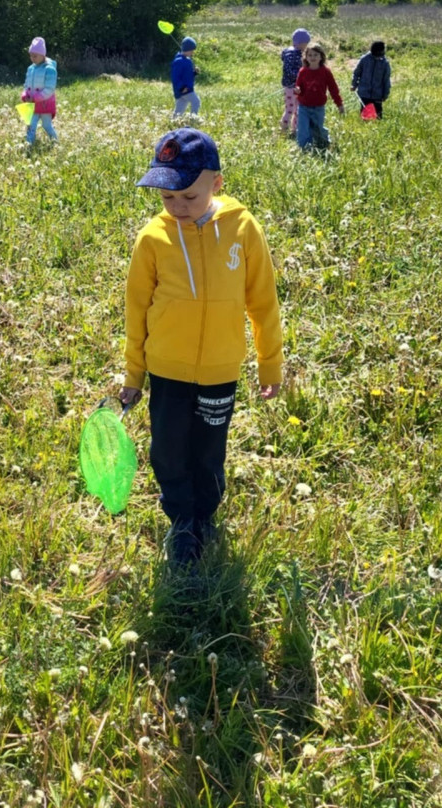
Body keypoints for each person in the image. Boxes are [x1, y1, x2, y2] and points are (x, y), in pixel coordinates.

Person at [119, 128, 283, 566]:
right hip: (166, 370)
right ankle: (181, 521)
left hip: (220, 369)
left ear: (217, 183)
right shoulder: (152, 238)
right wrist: (134, 373)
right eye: (167, 197)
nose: (177, 207)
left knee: (209, 451)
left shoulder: (243, 229)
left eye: (189, 196)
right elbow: (136, 311)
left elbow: (263, 301)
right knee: (168, 450)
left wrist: (269, 363)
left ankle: (204, 517)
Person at [294, 42, 344, 151]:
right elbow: (298, 86)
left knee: (318, 128)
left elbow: (333, 89)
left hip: (318, 107)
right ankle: (304, 148)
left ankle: (324, 141)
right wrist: (297, 90)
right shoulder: (303, 71)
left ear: (321, 56)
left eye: (316, 55)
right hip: (303, 106)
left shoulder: (325, 72)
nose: (313, 57)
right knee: (303, 128)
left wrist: (339, 104)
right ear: (306, 57)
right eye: (310, 55)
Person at [23, 37, 58, 143]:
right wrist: (25, 95)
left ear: (43, 55)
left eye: (35, 56)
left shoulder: (49, 69)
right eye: (31, 55)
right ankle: (29, 143)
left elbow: (50, 88)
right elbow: (26, 85)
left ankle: (55, 141)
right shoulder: (30, 69)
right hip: (32, 104)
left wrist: (36, 98)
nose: (32, 58)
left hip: (45, 104)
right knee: (30, 124)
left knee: (46, 125)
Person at [280, 28, 310, 134]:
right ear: (301, 43)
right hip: (291, 86)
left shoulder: (294, 52)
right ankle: (284, 128)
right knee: (290, 109)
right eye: (306, 44)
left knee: (297, 109)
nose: (306, 46)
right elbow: (288, 70)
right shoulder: (293, 53)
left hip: (296, 86)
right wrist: (300, 76)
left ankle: (295, 130)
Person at [351, 40, 391, 118]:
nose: (378, 57)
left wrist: (385, 94)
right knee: (365, 117)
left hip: (377, 95)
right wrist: (354, 84)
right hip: (364, 94)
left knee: (378, 117)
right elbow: (356, 73)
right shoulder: (364, 59)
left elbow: (386, 80)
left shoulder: (385, 63)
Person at [171, 37, 200, 116]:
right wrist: (181, 87)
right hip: (184, 89)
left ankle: (174, 121)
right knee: (196, 102)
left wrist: (194, 72)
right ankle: (193, 119)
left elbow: (187, 75)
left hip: (185, 88)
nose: (192, 52)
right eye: (191, 50)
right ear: (187, 49)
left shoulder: (187, 60)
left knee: (180, 108)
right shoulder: (179, 61)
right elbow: (175, 77)